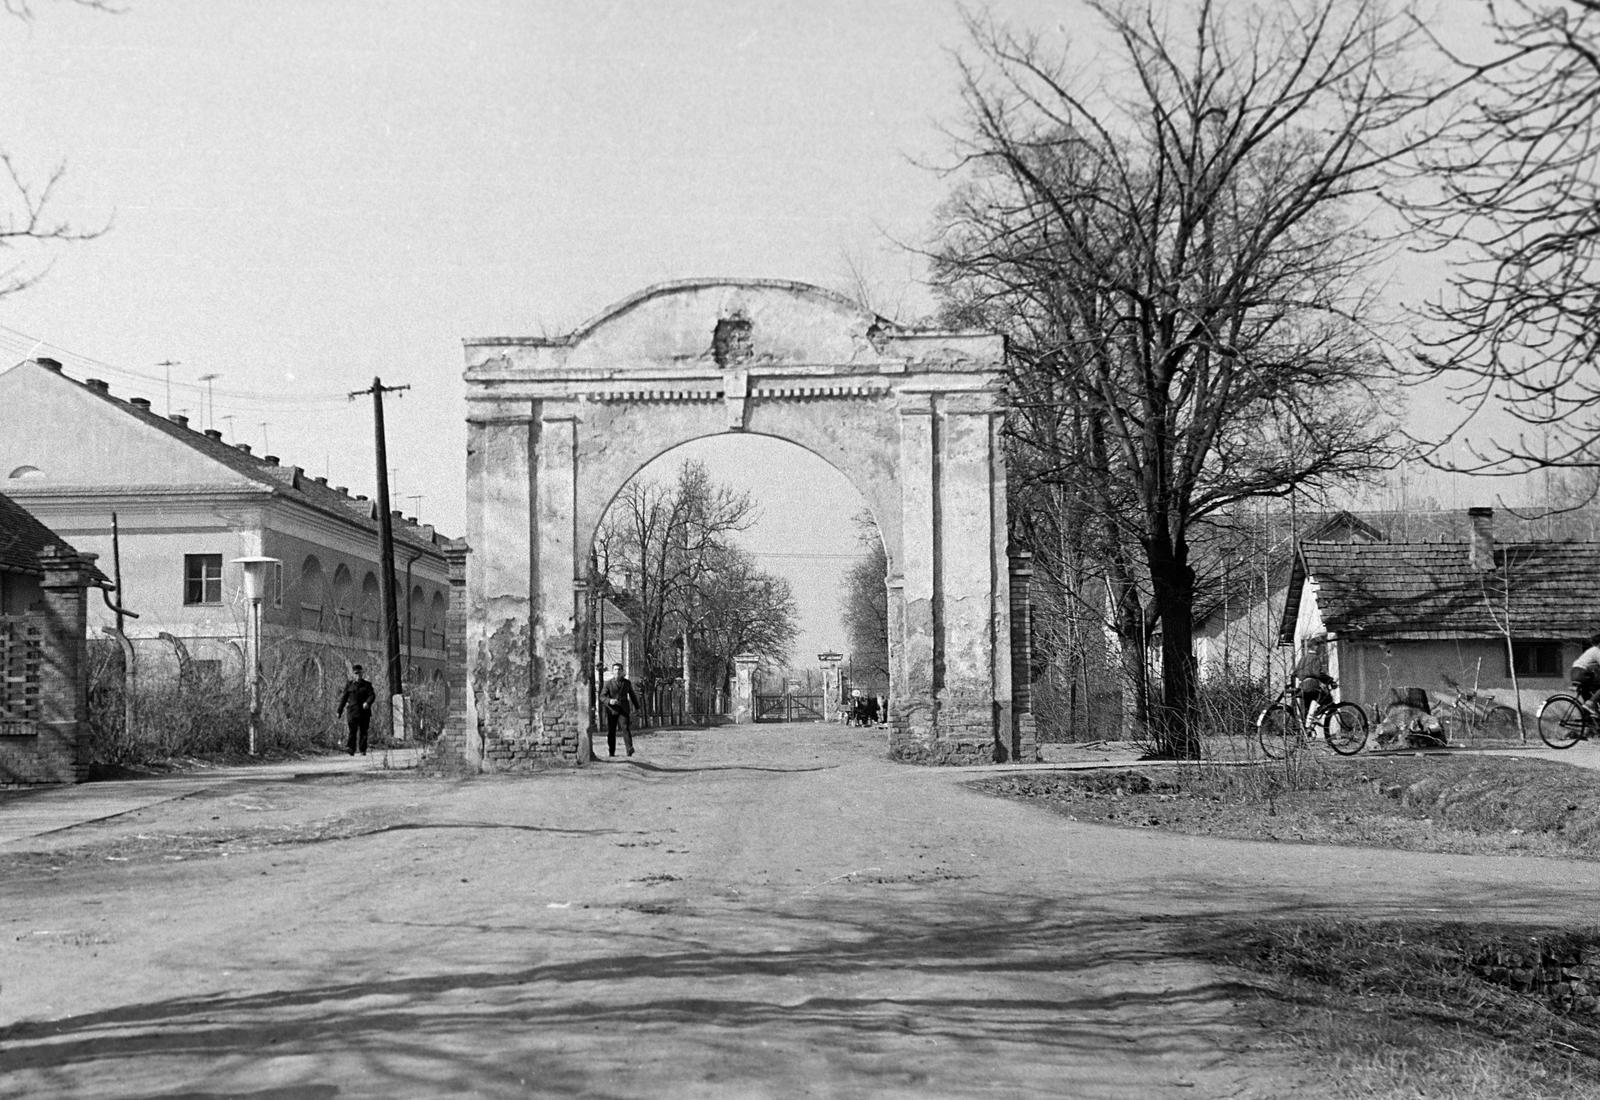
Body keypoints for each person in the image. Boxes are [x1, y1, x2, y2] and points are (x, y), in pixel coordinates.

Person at [335, 664, 376, 756]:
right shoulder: (349, 685)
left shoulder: (367, 685)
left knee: (363, 731)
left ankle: (362, 749)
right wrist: (339, 711)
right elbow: (344, 698)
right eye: (356, 673)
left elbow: (372, 695)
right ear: (353, 674)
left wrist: (367, 702)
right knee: (352, 731)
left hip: (364, 712)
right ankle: (351, 748)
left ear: (362, 673)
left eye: (359, 673)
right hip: (352, 712)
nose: (358, 675)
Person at [601, 662, 639, 757]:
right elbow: (602, 697)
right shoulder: (608, 683)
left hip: (623, 709)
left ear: (622, 672)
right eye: (615, 669)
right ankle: (611, 751)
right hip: (612, 710)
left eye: (619, 670)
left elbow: (632, 695)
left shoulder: (627, 683)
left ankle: (629, 749)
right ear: (612, 671)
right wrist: (609, 701)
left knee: (625, 728)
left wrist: (637, 707)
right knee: (611, 731)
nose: (617, 671)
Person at [1571, 632, 1600, 712]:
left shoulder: (1591, 650)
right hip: (1581, 673)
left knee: (1591, 693)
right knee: (1594, 694)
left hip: (1575, 673)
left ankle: (1589, 719)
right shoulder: (1596, 651)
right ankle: (1590, 703)